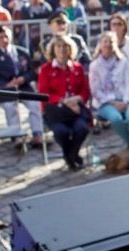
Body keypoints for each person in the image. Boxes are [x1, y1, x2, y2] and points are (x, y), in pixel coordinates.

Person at [0, 25, 44, 148]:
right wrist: (6, 85)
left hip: (23, 87)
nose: (4, 40)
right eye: (1, 37)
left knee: (35, 104)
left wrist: (23, 78)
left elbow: (32, 72)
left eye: (6, 36)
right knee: (11, 107)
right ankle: (17, 136)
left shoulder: (22, 52)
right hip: (5, 89)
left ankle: (37, 133)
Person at [90, 31, 129, 165]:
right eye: (105, 42)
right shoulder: (95, 65)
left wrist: (125, 102)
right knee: (116, 119)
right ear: (100, 45)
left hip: (126, 100)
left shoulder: (123, 62)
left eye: (111, 42)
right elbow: (95, 90)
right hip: (105, 102)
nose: (108, 45)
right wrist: (114, 103)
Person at [38, 34, 91, 170]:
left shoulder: (77, 67)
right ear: (53, 49)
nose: (62, 50)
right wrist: (63, 101)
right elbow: (44, 94)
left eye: (65, 47)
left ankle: (71, 155)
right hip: (56, 111)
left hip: (76, 109)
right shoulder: (46, 69)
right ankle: (71, 157)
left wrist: (77, 99)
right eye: (59, 46)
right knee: (62, 132)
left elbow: (85, 90)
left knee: (82, 128)